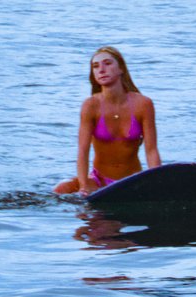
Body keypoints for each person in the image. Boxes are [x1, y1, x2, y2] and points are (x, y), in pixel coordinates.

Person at [53, 46, 161, 196]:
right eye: (95, 66)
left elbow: (151, 150)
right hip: (99, 182)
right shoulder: (91, 105)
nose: (101, 69)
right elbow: (83, 151)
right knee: (60, 189)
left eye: (107, 63)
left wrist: (156, 182)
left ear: (121, 69)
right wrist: (84, 186)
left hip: (132, 180)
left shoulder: (143, 104)